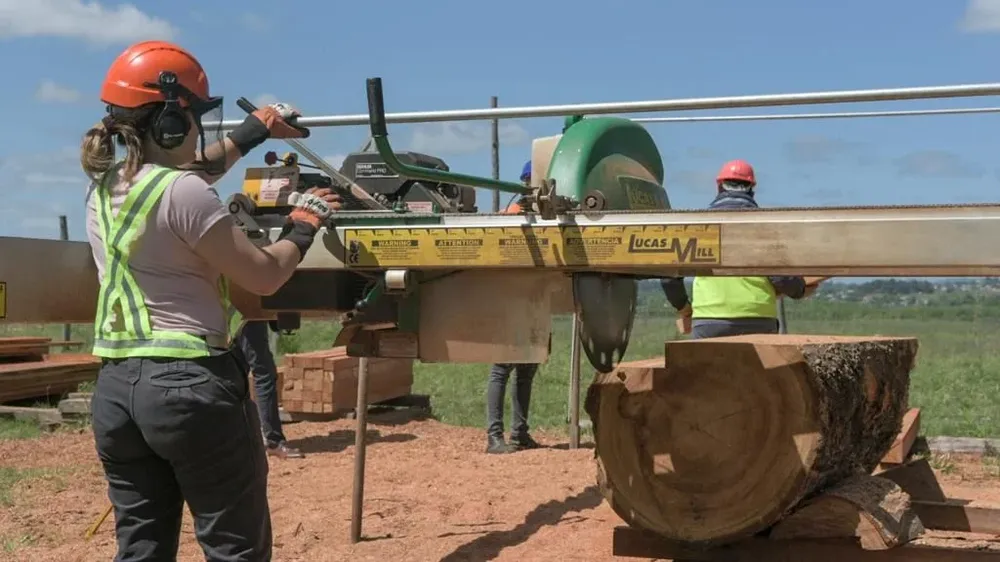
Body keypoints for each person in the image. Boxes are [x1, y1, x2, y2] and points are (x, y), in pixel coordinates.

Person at [82, 40, 340, 561]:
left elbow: (191, 176)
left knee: (142, 548)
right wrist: (304, 224)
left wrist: (254, 131)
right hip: (191, 388)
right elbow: (264, 276)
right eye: (196, 117)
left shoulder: (104, 186)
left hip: (116, 392)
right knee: (234, 548)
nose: (201, 130)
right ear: (170, 124)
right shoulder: (184, 193)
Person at [661, 159, 824, 339]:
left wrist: (684, 308)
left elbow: (669, 276)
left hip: (709, 320)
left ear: (719, 187)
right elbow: (781, 276)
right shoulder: (762, 226)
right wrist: (799, 289)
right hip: (758, 318)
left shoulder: (698, 225)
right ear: (751, 189)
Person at [485, 160, 542, 455]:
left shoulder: (545, 217)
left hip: (535, 299)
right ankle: (494, 437)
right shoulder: (511, 216)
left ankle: (520, 433)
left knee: (528, 368)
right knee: (502, 368)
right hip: (511, 300)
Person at [237, 320, 303, 459]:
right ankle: (273, 442)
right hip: (248, 317)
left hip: (235, 319)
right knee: (264, 373)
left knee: (237, 373)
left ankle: (241, 440)